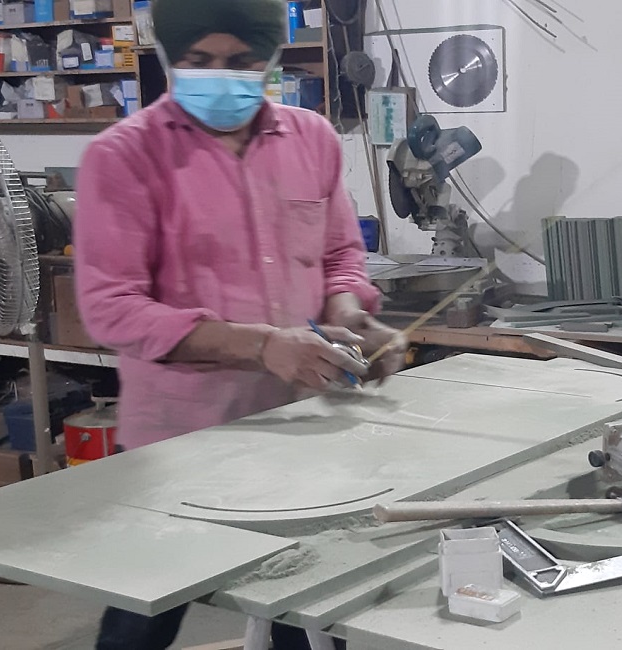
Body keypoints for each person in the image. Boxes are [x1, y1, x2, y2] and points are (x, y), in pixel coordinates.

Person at [73, 0, 407, 648]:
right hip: (178, 445)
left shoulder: (312, 139)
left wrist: (348, 314)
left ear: (270, 60)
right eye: (199, 60)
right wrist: (262, 345)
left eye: (242, 61)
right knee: (141, 621)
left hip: (302, 428)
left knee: (309, 612)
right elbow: (111, 306)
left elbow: (340, 254)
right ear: (171, 57)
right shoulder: (123, 156)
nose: (220, 75)